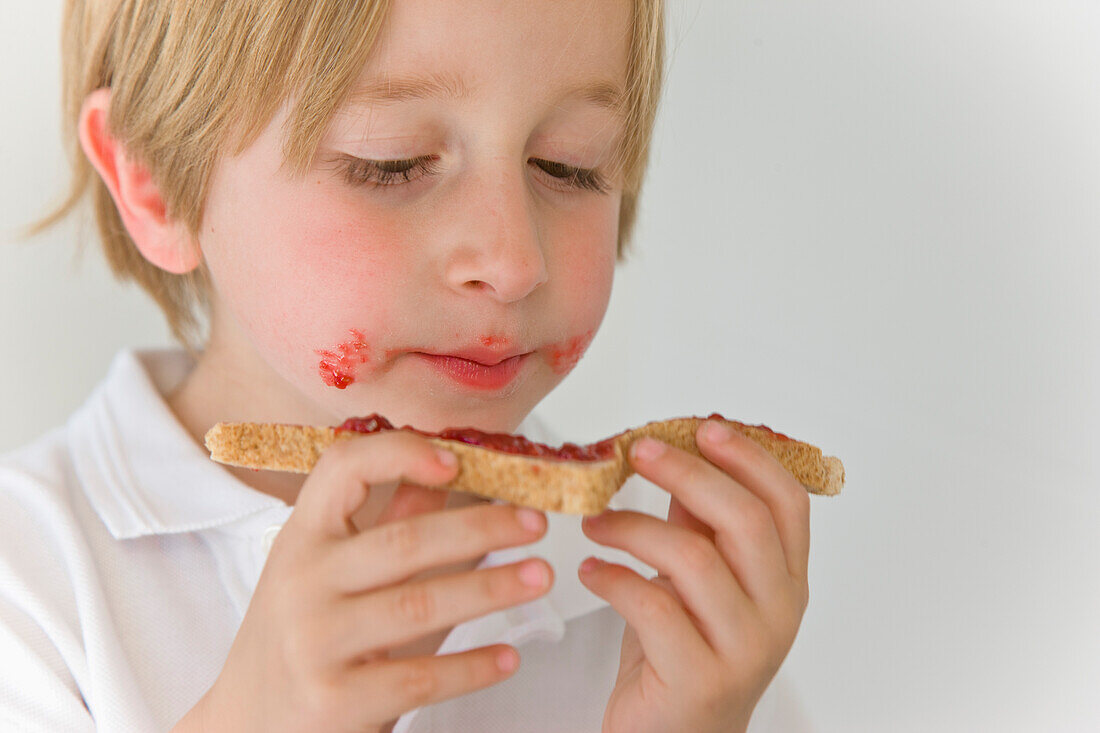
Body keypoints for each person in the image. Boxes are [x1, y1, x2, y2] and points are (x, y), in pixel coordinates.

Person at [1, 0, 814, 730]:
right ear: (151, 181)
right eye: (390, 163)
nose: (512, 260)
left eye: (569, 164)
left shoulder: (665, 593)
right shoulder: (30, 587)